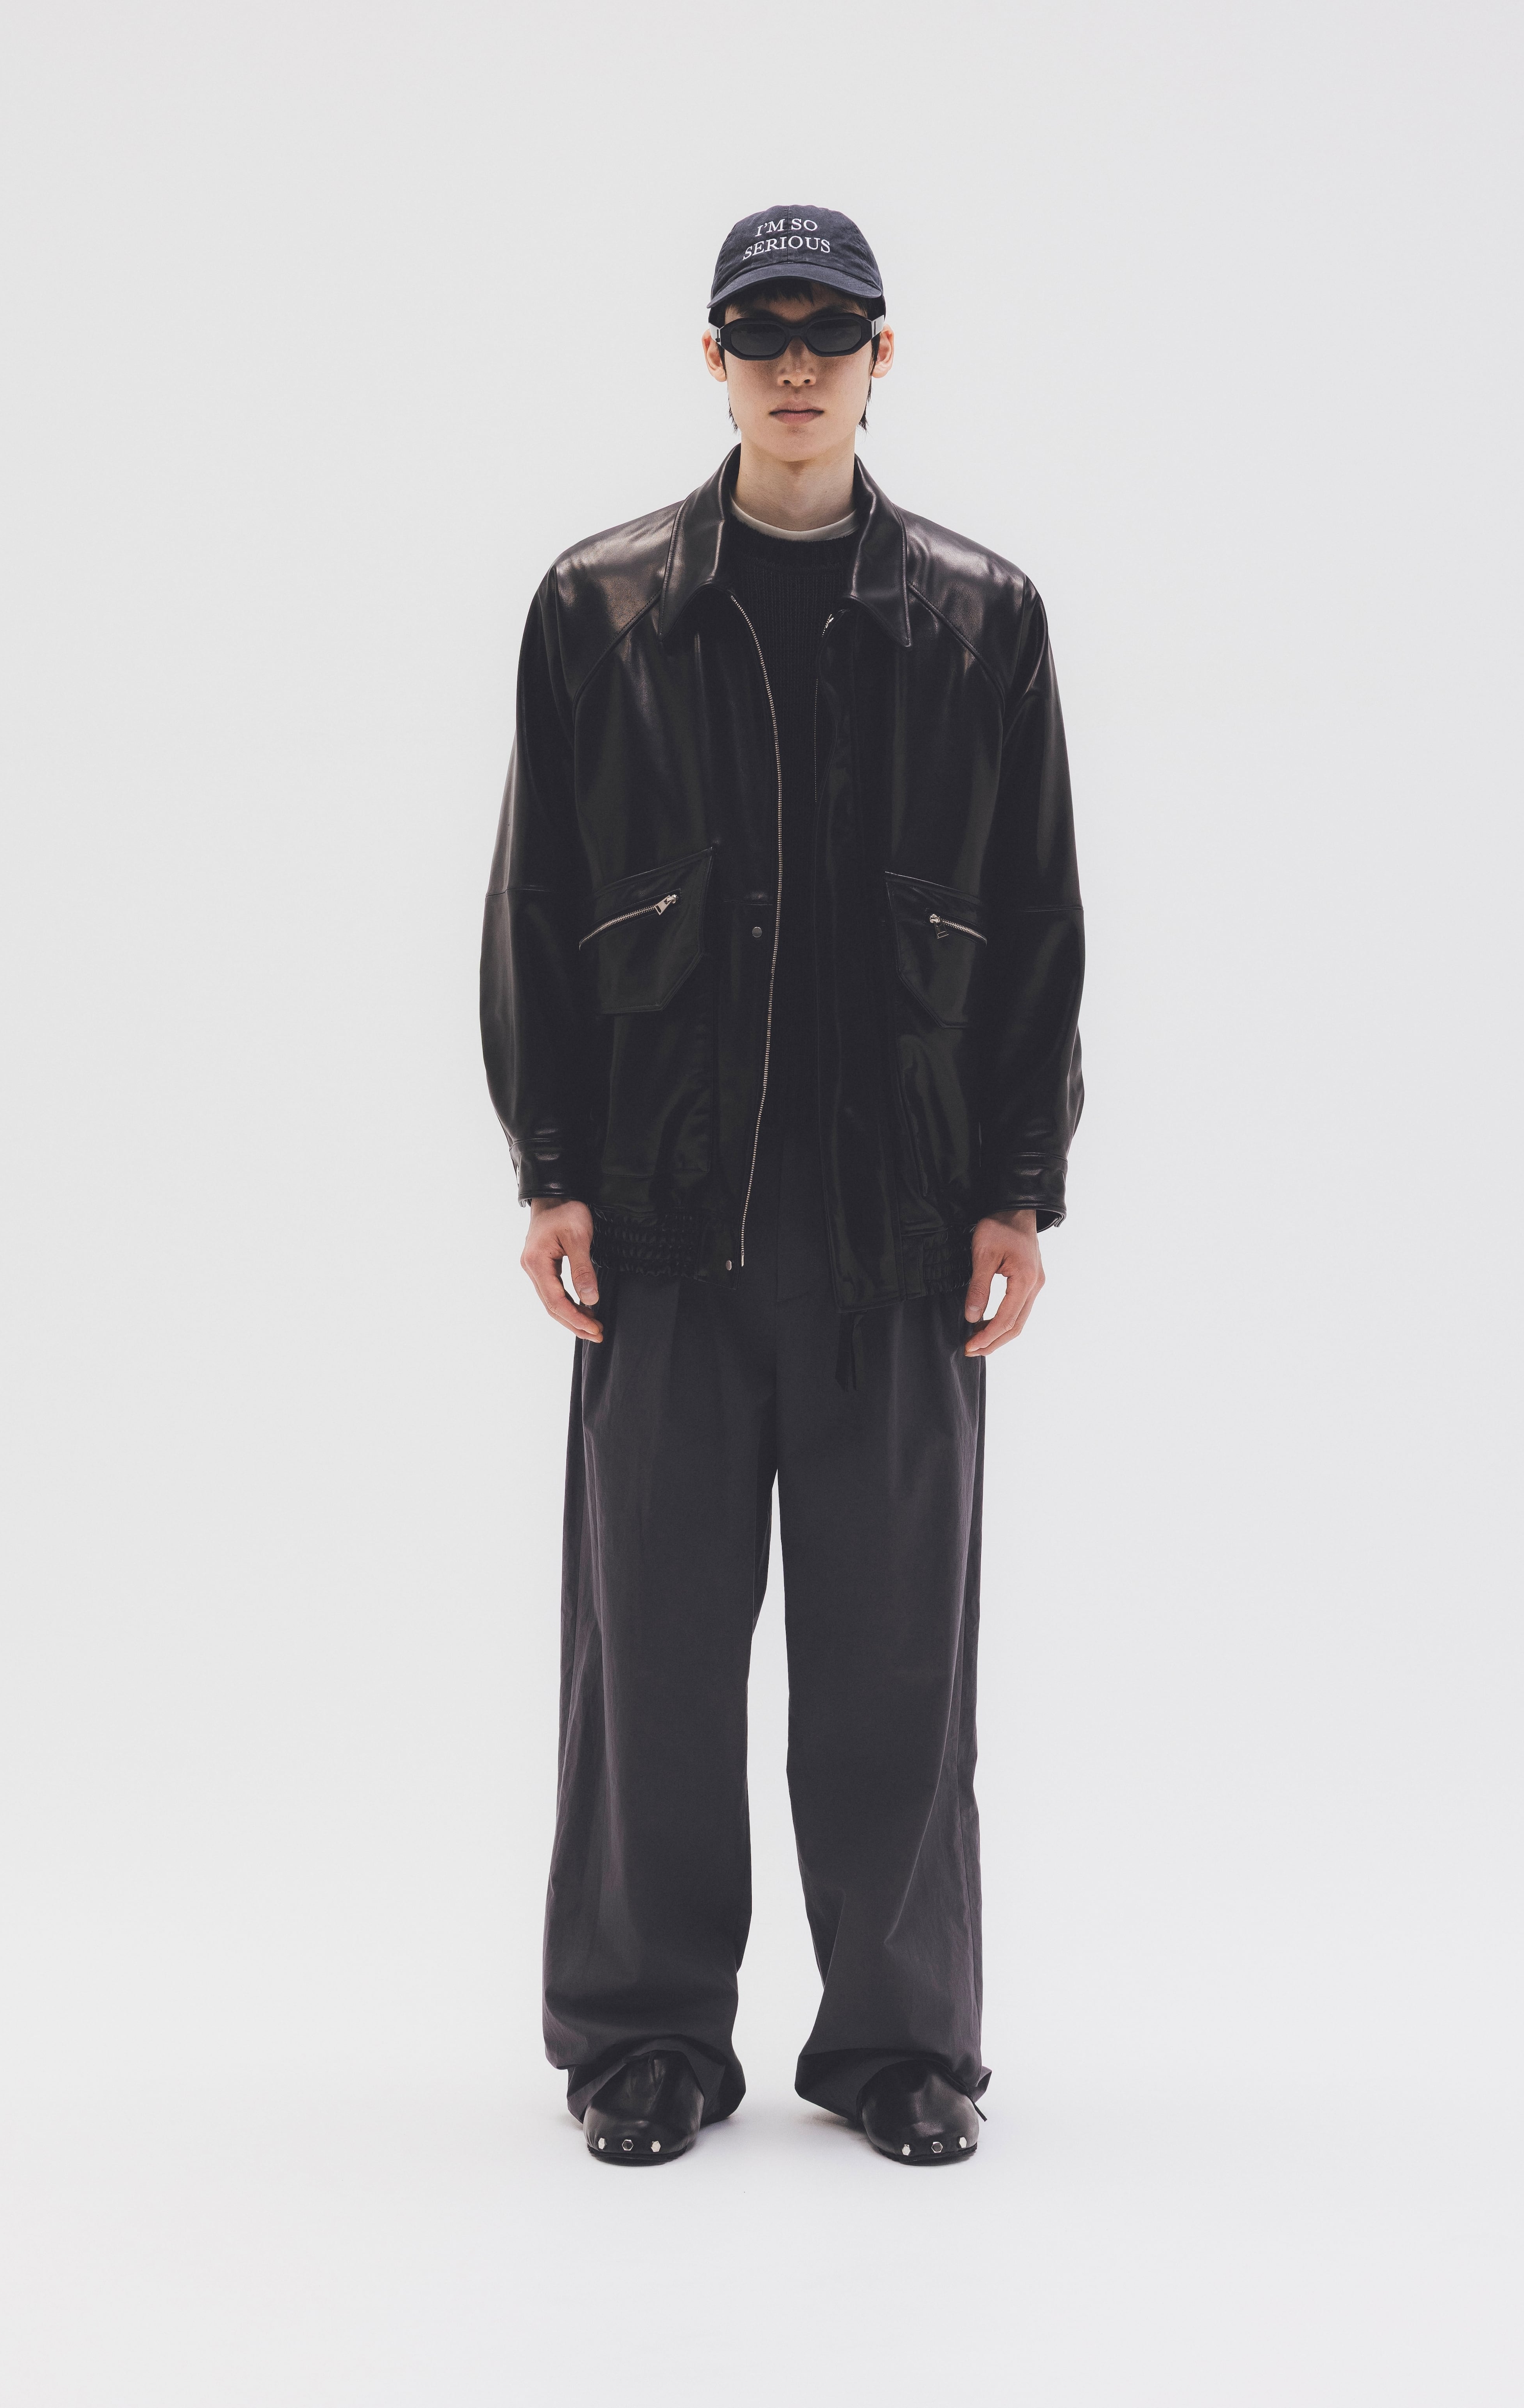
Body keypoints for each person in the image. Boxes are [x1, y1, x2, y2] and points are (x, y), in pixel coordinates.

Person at [480, 204, 1085, 2168]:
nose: (797, 363)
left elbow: (1035, 921)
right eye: (763, 331)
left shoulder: (979, 618)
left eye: (832, 331)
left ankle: (899, 2045)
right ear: (716, 358)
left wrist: (1015, 1188)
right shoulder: (600, 609)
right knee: (649, 1653)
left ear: (883, 356)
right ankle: (643, 2036)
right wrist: (552, 1167)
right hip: (664, 1222)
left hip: (895, 1232)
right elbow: (538, 900)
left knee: (896, 1662)